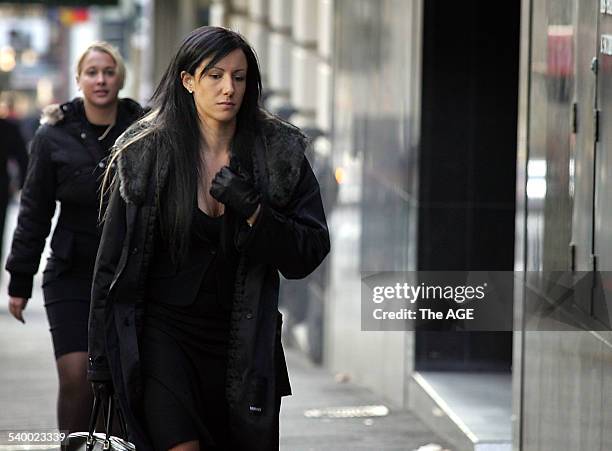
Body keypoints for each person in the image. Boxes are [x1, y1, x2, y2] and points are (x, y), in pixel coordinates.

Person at [88, 26, 330, 451]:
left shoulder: (278, 156)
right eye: (215, 76)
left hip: (242, 339)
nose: (228, 89)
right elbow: (111, 265)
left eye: (239, 77)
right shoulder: (146, 153)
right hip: (163, 336)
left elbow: (307, 252)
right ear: (188, 80)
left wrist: (255, 211)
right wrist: (100, 363)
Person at [5, 41, 143, 433]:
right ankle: (74, 444)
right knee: (77, 375)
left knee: (122, 378)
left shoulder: (143, 131)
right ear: (79, 79)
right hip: (71, 270)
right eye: (92, 72)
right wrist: (19, 279)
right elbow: (34, 210)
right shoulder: (54, 136)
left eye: (109, 71)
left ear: (120, 78)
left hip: (126, 274)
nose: (101, 80)